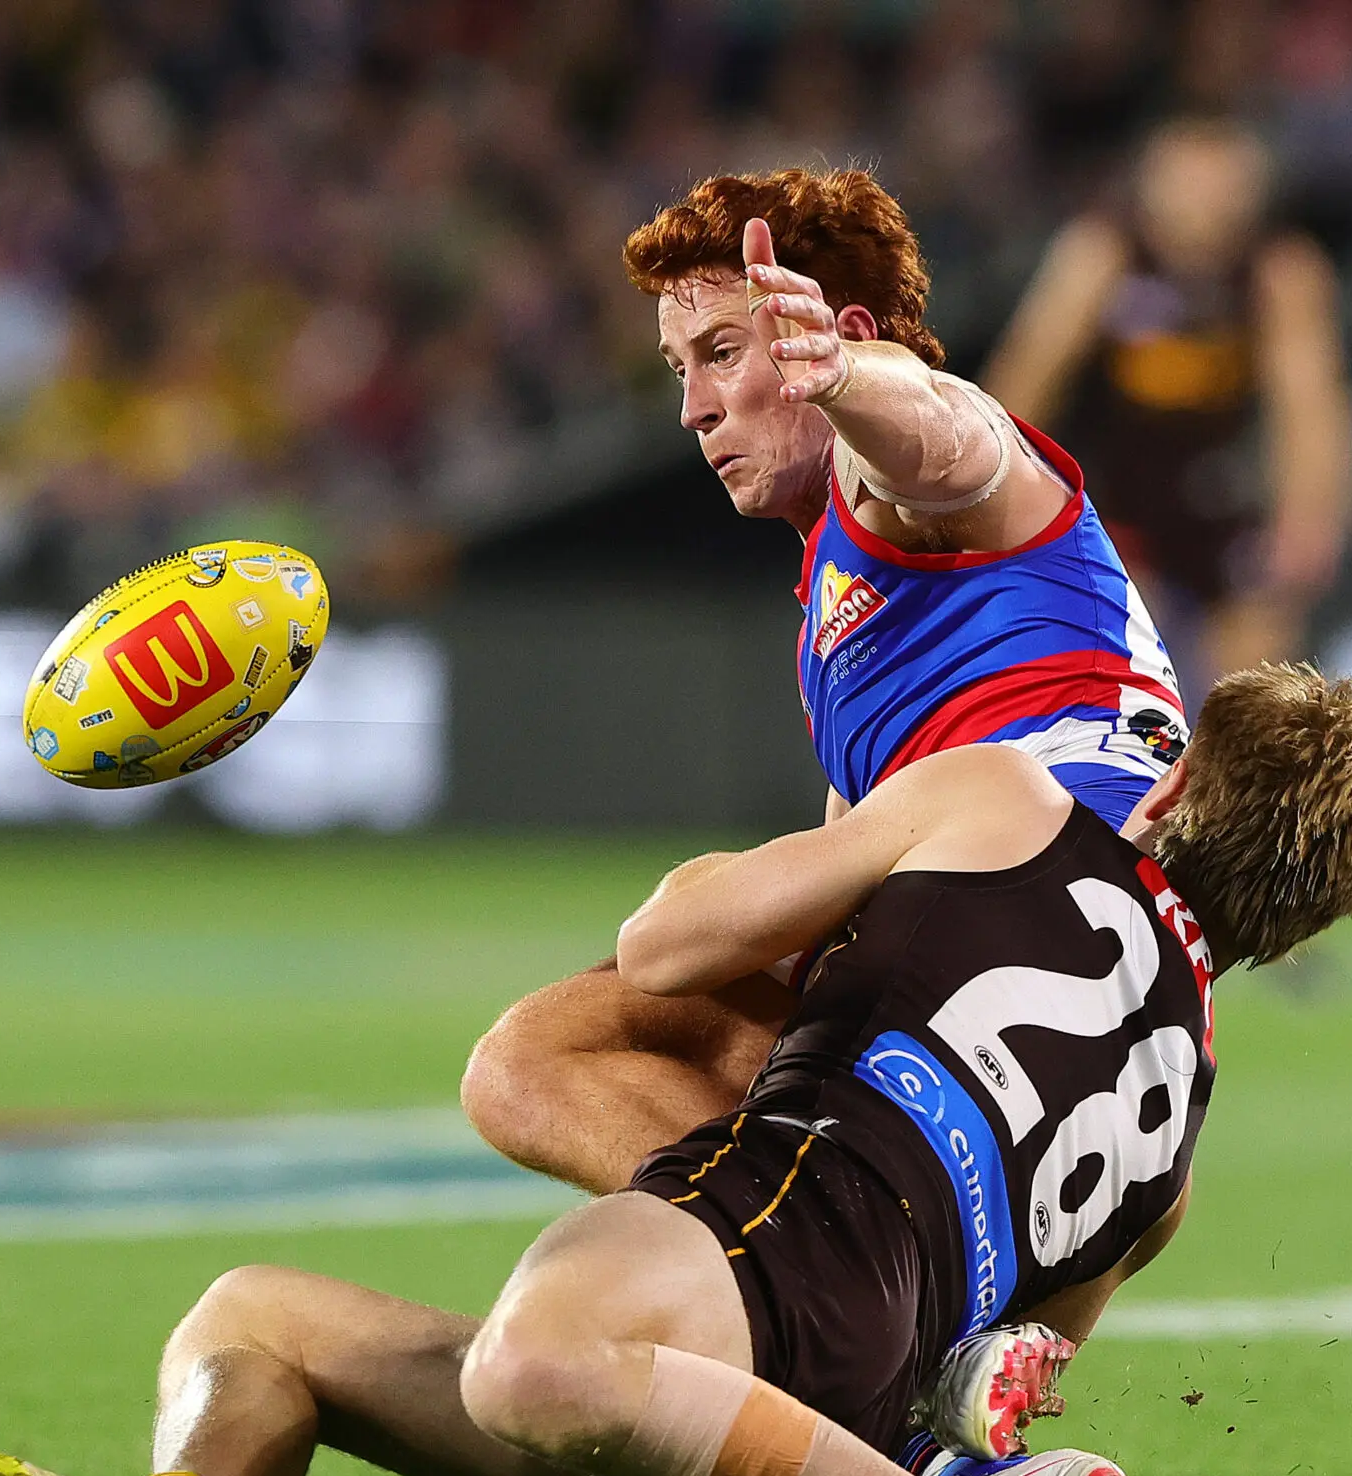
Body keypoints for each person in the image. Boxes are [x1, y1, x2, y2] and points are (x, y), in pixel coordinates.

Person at [0, 665, 1352, 1476]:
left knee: (532, 1366)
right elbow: (1003, 1365)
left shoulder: (1007, 796)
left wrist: (788, 901)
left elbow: (667, 945)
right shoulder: (1177, 1142)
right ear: (1300, 933)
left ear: (1172, 783)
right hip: (780, 1443)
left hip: (778, 1229)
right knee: (256, 1318)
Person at [461, 167, 1189, 1207]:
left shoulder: (903, 472)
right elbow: (834, 901)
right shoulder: (838, 613)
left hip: (1043, 946)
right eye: (678, 369)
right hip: (1089, 1020)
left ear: (838, 329)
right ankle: (846, 1259)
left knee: (555, 1042)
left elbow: (941, 432)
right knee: (590, 1038)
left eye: (721, 353)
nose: (693, 409)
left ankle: (807, 1252)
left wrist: (844, 373)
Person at [983, 117, 1351, 690]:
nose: (1203, 208)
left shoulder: (1281, 271)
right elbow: (1028, 378)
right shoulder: (1101, 253)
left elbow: (1308, 408)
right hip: (1115, 503)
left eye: (1221, 189)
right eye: (1188, 186)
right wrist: (994, 498)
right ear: (1151, 186)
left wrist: (1307, 523)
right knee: (1124, 669)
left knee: (1254, 685)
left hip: (1227, 503)